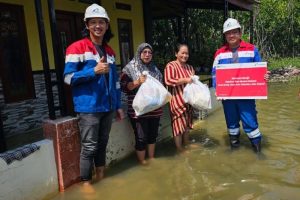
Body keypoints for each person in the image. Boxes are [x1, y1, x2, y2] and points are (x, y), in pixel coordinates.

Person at [63, 3, 124, 189]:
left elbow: (115, 82)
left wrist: (118, 105)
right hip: (88, 108)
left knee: (103, 143)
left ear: (107, 25)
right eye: (93, 22)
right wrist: (93, 71)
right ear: (87, 25)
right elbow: (67, 78)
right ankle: (86, 184)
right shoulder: (76, 48)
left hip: (108, 107)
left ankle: (101, 176)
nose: (98, 26)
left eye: (101, 22)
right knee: (89, 147)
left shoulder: (110, 51)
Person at [211, 18, 269, 153]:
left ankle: (258, 153)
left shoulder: (252, 49)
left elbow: (260, 72)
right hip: (228, 97)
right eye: (228, 33)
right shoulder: (219, 53)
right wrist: (218, 89)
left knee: (250, 123)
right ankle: (234, 150)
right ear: (225, 36)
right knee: (231, 123)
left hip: (246, 97)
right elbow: (215, 73)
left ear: (240, 33)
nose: (231, 35)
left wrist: (265, 76)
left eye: (234, 32)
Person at [120, 43, 163, 165]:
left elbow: (161, 87)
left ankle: (151, 158)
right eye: (144, 52)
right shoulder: (129, 68)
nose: (147, 55)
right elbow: (124, 87)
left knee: (152, 136)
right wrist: (137, 82)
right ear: (139, 53)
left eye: (150, 52)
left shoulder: (155, 69)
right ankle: (142, 162)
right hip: (138, 111)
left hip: (154, 109)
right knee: (141, 138)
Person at [164, 44, 195, 153]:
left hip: (189, 102)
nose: (185, 55)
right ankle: (179, 149)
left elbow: (193, 83)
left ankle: (186, 143)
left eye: (186, 53)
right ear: (176, 53)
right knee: (178, 126)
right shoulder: (171, 66)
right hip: (177, 102)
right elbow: (168, 81)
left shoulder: (190, 67)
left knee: (186, 125)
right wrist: (185, 80)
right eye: (182, 53)